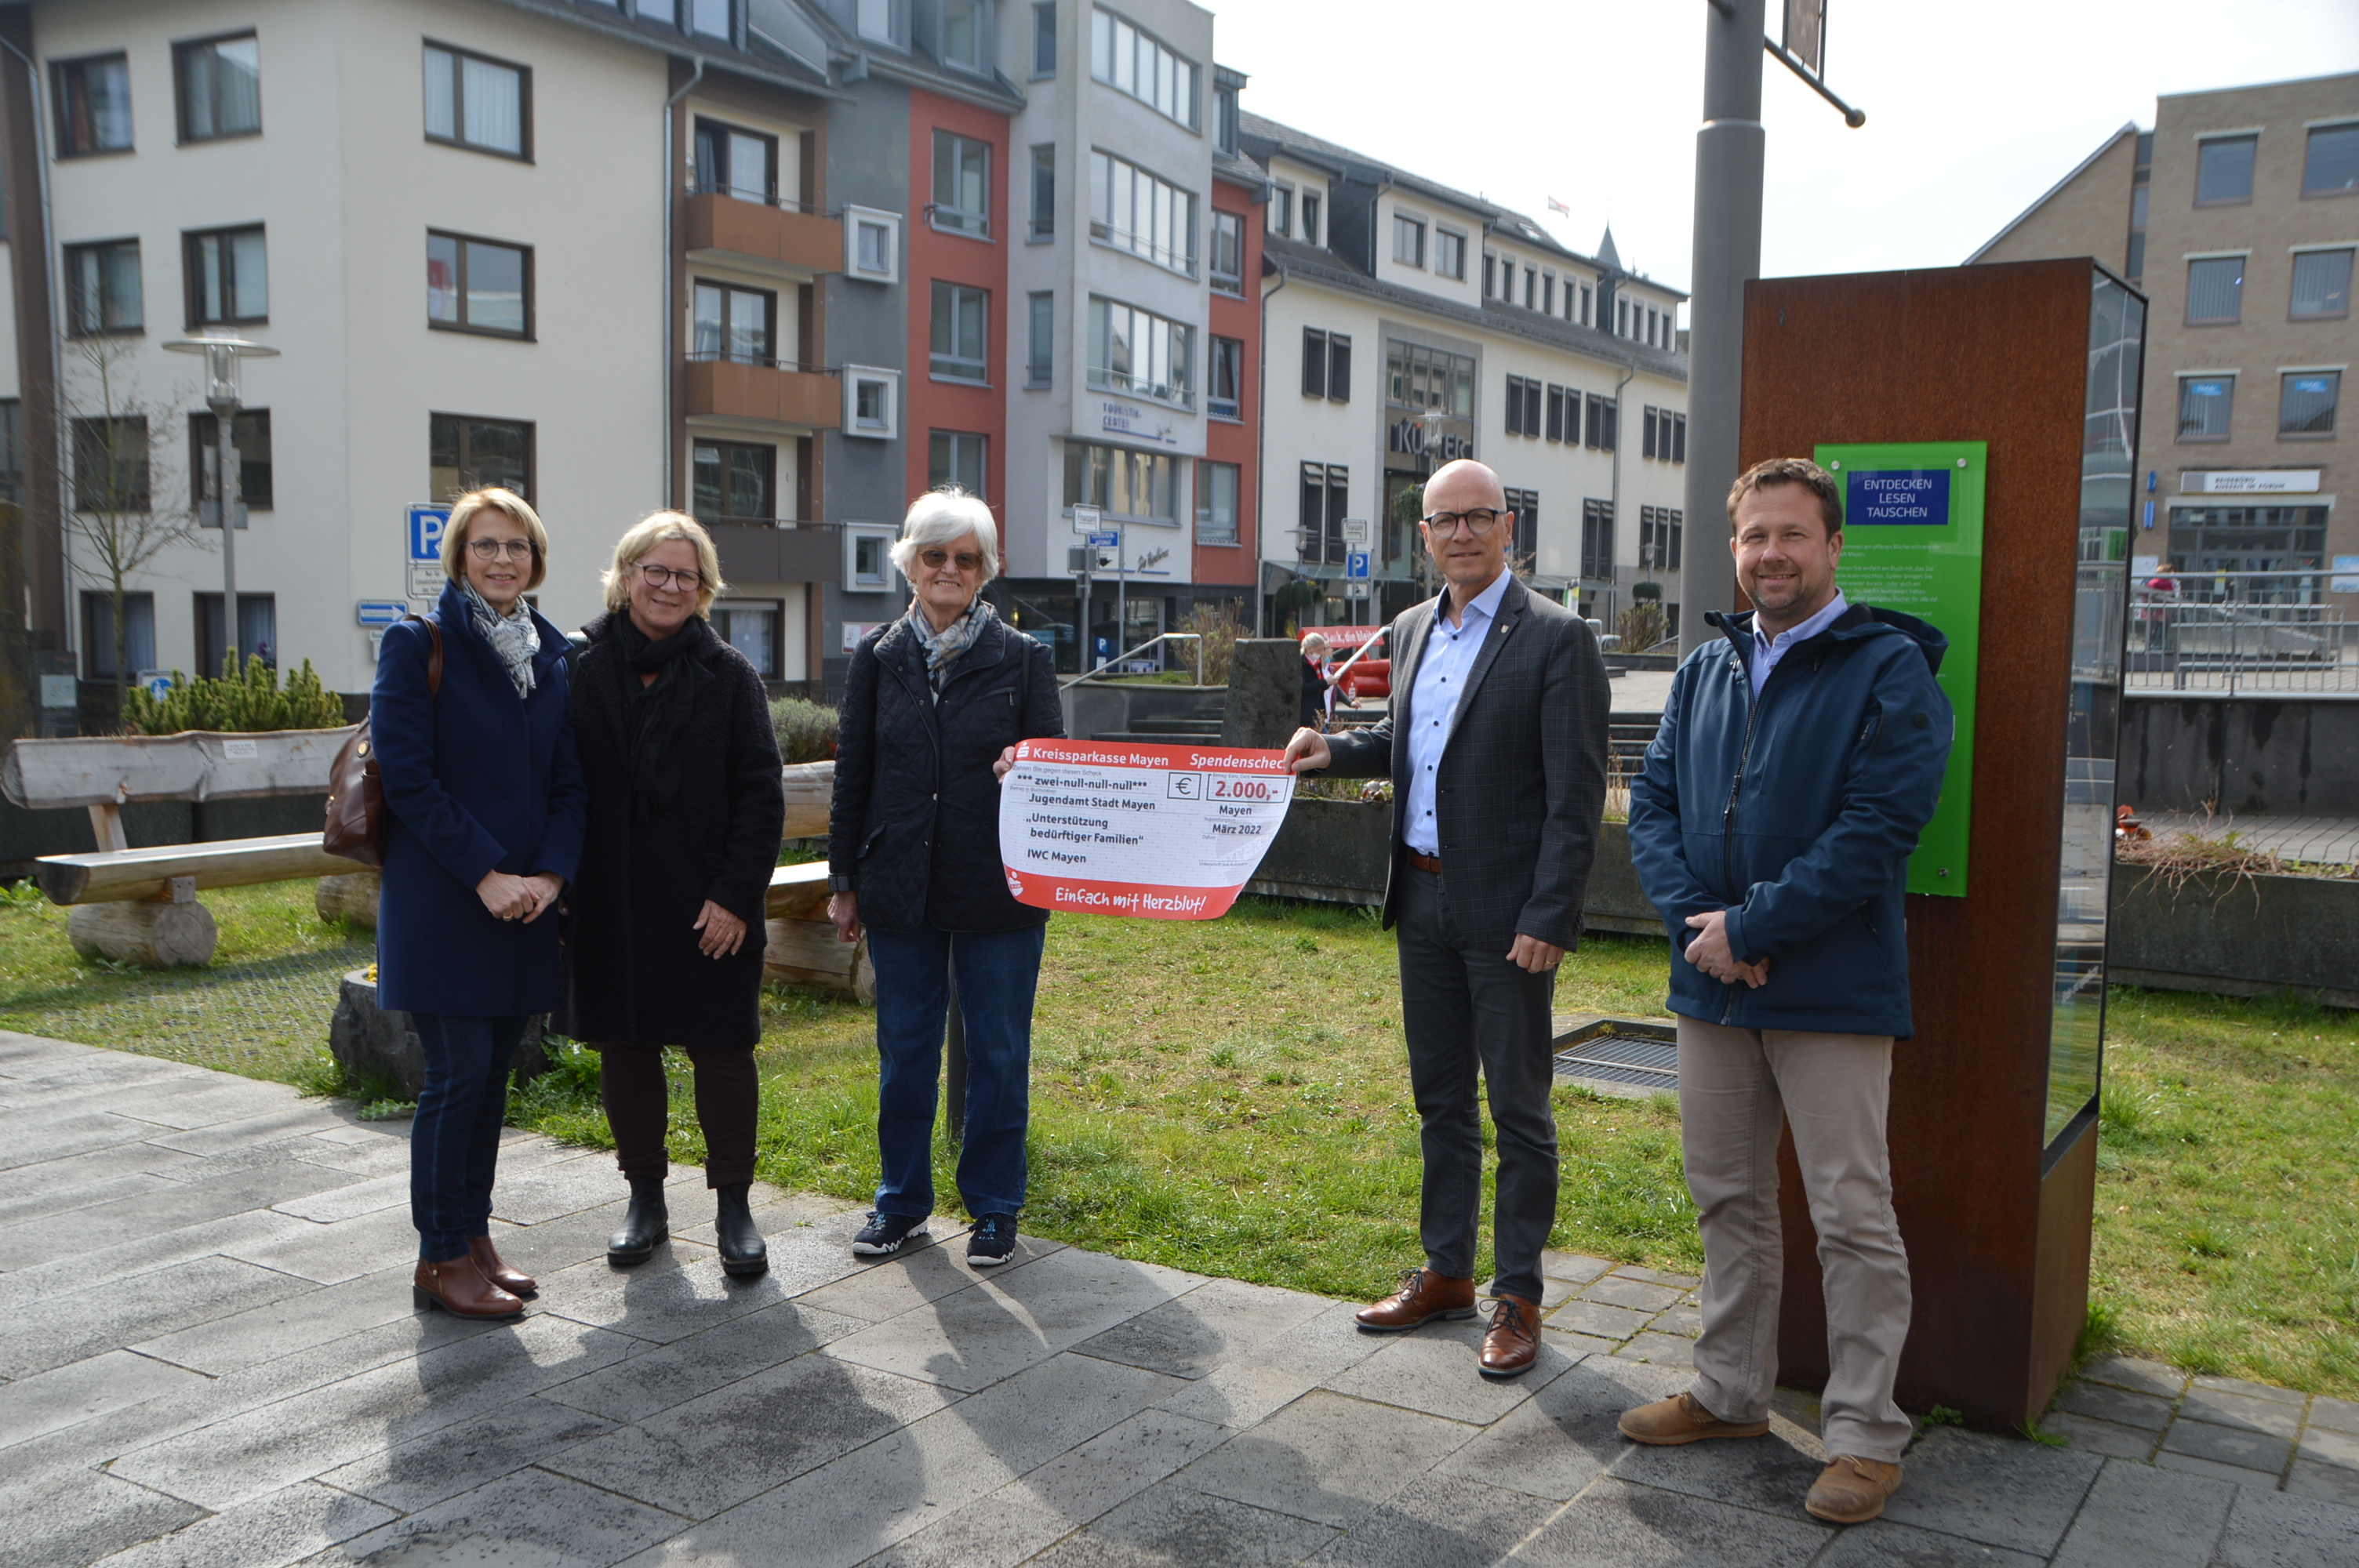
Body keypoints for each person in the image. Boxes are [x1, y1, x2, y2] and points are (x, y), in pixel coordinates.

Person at [1621, 456, 1954, 1526]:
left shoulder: (1890, 669)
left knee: (1851, 1215)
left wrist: (1754, 927)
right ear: (1733, 548)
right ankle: (1730, 1393)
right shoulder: (1705, 670)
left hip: (1831, 990)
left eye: (1793, 536)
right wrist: (1702, 932)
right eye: (1754, 536)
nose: (1772, 555)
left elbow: (1878, 831)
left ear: (1834, 546)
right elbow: (1655, 808)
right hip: (1711, 987)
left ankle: (1865, 1436)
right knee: (1728, 1196)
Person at [1282, 458, 1610, 1381]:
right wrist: (1331, 749)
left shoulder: (1554, 637)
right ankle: (1446, 1271)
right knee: (1439, 1098)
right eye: (1441, 520)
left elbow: (1576, 794)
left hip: (1510, 916)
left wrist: (1550, 910)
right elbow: (1405, 743)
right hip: (1419, 896)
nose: (1460, 533)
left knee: (1517, 1105)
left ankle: (1519, 1293)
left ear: (1508, 526)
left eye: (1477, 516)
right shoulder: (1414, 626)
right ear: (1421, 535)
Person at [827, 490, 1064, 1267]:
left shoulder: (1023, 658)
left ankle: (994, 1206)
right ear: (909, 563)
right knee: (903, 1053)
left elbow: (1053, 772)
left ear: (986, 570)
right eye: (934, 555)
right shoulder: (877, 654)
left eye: (966, 558)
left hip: (999, 887)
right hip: (898, 881)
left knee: (997, 1053)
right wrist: (843, 878)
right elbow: (852, 771)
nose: (948, 570)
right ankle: (900, 1203)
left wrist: (1023, 765)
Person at [374, 487, 585, 1320]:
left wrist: (552, 877)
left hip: (526, 906)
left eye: (518, 547)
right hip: (446, 903)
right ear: (459, 555)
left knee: (494, 1079)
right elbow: (408, 778)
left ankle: (473, 1233)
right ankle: (438, 1255)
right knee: (456, 1077)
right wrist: (489, 872)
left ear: (536, 561)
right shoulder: (416, 643)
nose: (503, 560)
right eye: (486, 545)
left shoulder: (549, 652)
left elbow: (569, 783)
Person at [565, 513, 786, 1278]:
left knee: (722, 1054)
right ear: (626, 575)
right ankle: (645, 1199)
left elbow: (761, 798)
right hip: (612, 905)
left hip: (708, 910)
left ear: (703, 589)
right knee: (626, 1051)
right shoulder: (579, 669)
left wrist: (733, 896)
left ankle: (733, 1205)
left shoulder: (729, 677)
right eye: (653, 571)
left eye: (683, 575)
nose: (667, 585)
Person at [1298, 633, 1334, 731]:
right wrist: (1325, 682)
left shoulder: (1316, 664)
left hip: (1317, 712)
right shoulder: (1301, 663)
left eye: (1323, 650)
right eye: (1319, 650)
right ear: (1310, 649)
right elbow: (1303, 687)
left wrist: (1328, 683)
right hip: (1306, 714)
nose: (1322, 653)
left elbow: (1318, 686)